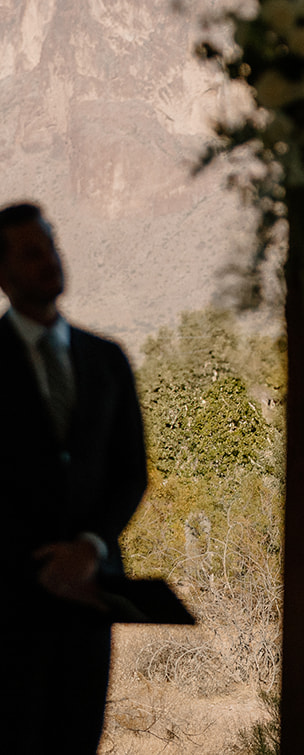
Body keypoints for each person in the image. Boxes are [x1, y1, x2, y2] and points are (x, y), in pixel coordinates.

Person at [0, 202, 149, 754]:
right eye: (30, 252)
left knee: (78, 737)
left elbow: (131, 472)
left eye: (51, 245)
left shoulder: (107, 358)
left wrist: (88, 548)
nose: (48, 260)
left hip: (91, 597)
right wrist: (39, 565)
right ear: (3, 273)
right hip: (9, 604)